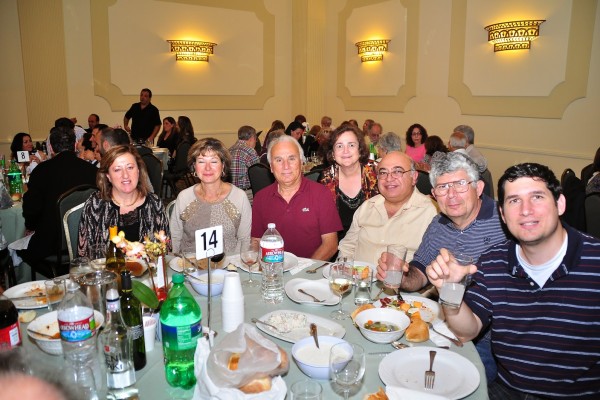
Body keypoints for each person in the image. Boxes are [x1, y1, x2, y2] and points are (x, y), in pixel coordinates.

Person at [427, 163, 600, 399]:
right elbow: (467, 331)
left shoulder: (594, 261)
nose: (526, 210)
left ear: (560, 204)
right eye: (514, 201)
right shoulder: (493, 260)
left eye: (537, 197)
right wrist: (449, 290)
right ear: (503, 214)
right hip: (508, 390)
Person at [376, 151, 508, 383]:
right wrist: (402, 275)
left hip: (489, 340)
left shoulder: (504, 222)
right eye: (443, 188)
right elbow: (420, 271)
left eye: (460, 184)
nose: (451, 195)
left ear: (478, 188)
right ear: (434, 195)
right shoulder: (439, 224)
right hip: (440, 327)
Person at [251, 135, 342, 260]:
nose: (286, 166)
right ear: (271, 167)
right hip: (273, 268)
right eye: (278, 160)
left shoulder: (321, 194)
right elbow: (256, 241)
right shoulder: (260, 198)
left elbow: (330, 244)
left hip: (312, 269)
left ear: (301, 162)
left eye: (292, 158)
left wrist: (306, 269)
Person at [338, 151, 437, 265]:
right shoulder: (367, 207)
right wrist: (343, 269)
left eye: (397, 171)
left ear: (414, 177)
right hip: (357, 275)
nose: (389, 178)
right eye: (383, 173)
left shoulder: (430, 213)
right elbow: (347, 247)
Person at [21, 126, 98, 262]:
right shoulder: (92, 170)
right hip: (88, 241)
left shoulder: (41, 171)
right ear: (75, 144)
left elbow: (31, 209)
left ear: (51, 148)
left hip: (51, 244)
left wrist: (31, 226)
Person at [77, 145, 169, 257]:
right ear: (108, 176)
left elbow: (165, 251)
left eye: (130, 167)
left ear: (138, 171)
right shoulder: (95, 205)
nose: (125, 175)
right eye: (117, 169)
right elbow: (84, 255)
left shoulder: (154, 204)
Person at [170, 138, 251, 254]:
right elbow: (175, 238)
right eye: (201, 162)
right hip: (190, 263)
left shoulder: (239, 197)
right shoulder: (184, 198)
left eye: (214, 161)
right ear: (194, 166)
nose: (207, 168)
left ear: (223, 166)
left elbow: (244, 240)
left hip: (230, 263)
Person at [319, 125, 378, 242]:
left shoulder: (376, 172)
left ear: (360, 150)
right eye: (339, 146)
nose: (345, 151)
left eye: (351, 145)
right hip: (338, 243)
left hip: (373, 241)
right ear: (332, 153)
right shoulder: (326, 178)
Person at [229, 125, 260, 192]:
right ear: (252, 138)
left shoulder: (229, 150)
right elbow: (258, 175)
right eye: (256, 139)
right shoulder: (250, 151)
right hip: (246, 192)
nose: (256, 142)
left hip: (230, 192)